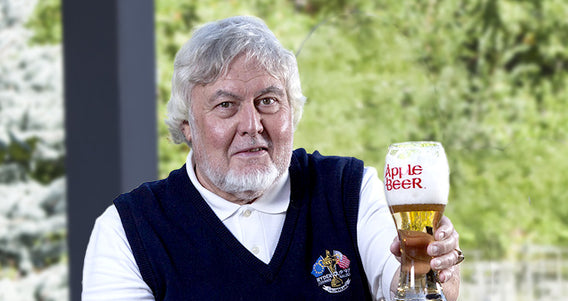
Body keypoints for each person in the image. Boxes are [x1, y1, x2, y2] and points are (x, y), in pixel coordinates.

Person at [81, 16, 464, 300]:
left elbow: (402, 286)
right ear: (186, 126)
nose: (252, 125)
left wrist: (431, 272)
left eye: (268, 101)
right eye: (226, 105)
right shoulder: (129, 229)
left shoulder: (350, 189)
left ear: (292, 110)